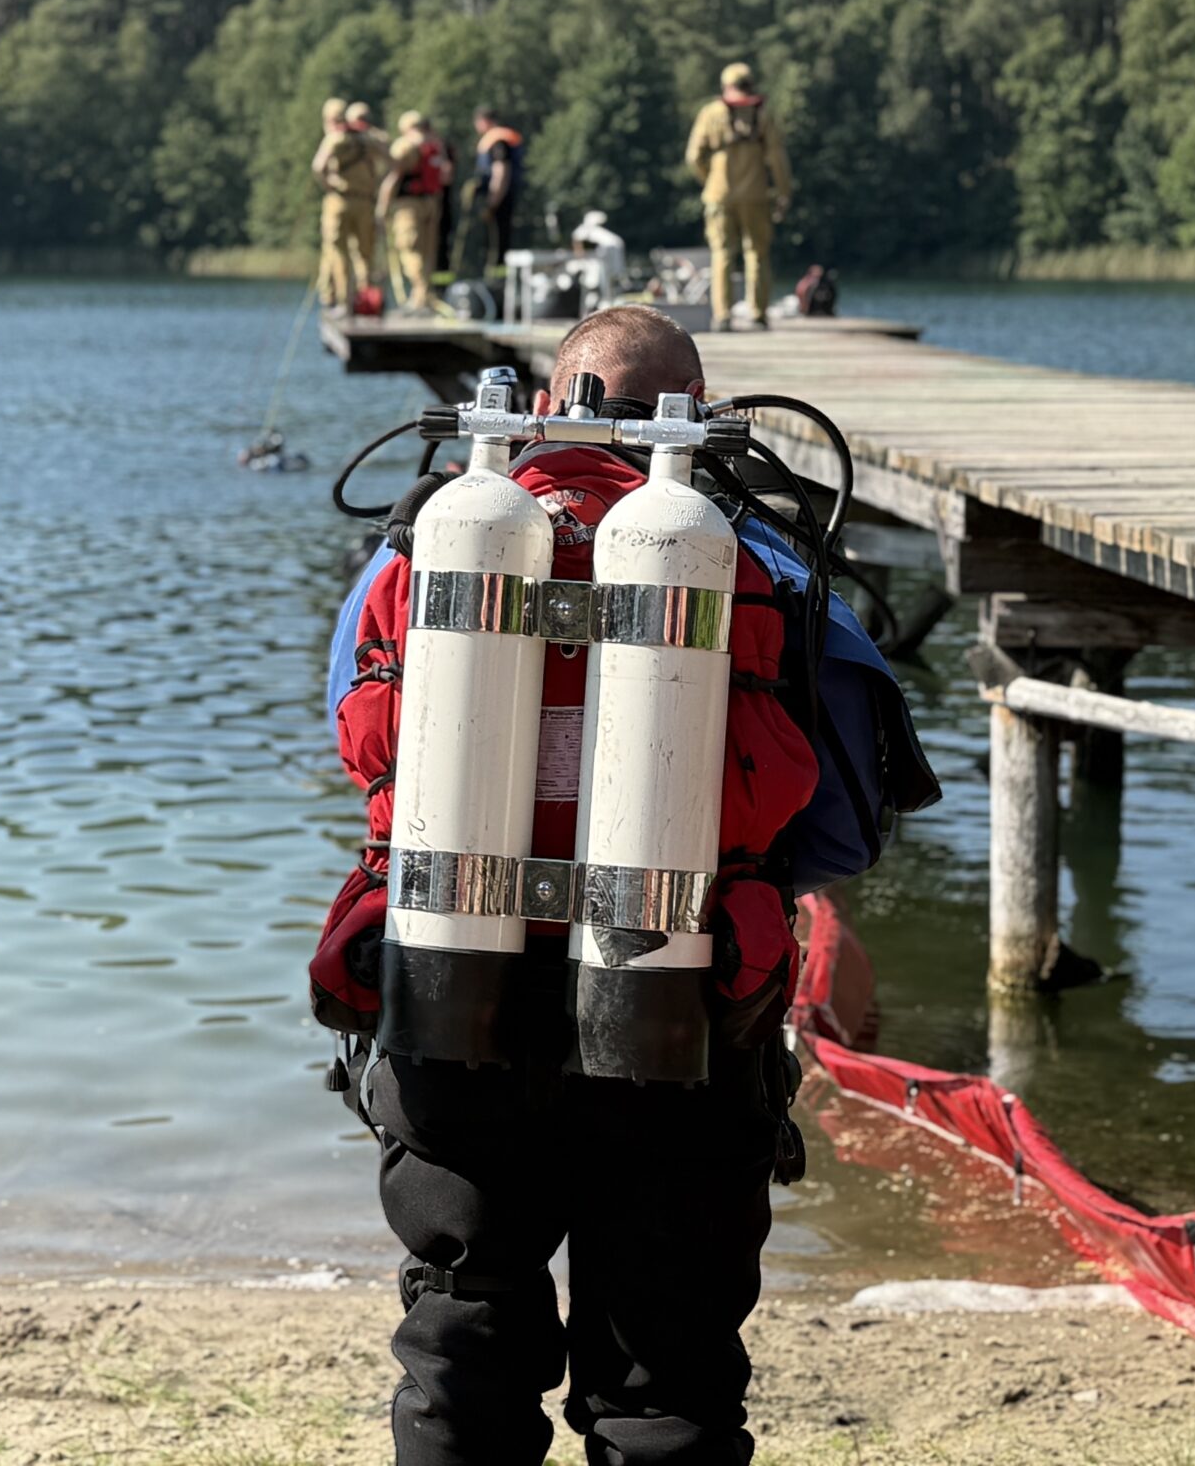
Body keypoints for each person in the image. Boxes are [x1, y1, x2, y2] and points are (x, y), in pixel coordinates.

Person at [311, 306, 930, 1466]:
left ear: (545, 406)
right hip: (674, 998)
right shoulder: (747, 556)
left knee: (462, 1346)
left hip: (452, 992)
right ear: (697, 412)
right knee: (664, 1372)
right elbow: (843, 824)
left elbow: (369, 757)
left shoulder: (421, 549)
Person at [685, 61, 795, 333]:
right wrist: (783, 192)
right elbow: (777, 159)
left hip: (719, 196)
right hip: (756, 195)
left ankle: (722, 317)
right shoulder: (763, 115)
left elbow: (693, 156)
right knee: (757, 254)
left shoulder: (710, 113)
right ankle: (757, 315)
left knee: (722, 253)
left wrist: (709, 179)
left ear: (725, 86)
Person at [311, 97, 385, 310]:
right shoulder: (368, 138)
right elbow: (391, 159)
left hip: (339, 199)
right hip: (366, 201)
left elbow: (318, 167)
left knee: (337, 251)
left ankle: (342, 300)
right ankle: (365, 299)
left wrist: (329, 184)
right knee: (365, 253)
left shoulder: (335, 138)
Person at [379, 110, 452, 315]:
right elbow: (446, 177)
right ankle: (422, 298)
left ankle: (421, 297)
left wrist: (382, 207)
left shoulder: (406, 145)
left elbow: (394, 175)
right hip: (432, 203)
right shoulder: (436, 146)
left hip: (408, 205)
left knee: (409, 249)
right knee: (427, 253)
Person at [463, 109, 527, 276]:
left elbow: (501, 172)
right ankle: (496, 276)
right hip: (502, 196)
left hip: (499, 198)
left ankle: (497, 280)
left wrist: (492, 203)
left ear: (484, 121)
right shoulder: (500, 138)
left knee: (497, 241)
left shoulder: (498, 141)